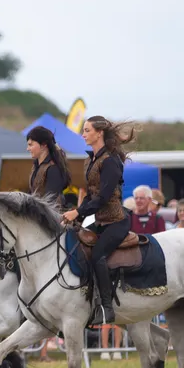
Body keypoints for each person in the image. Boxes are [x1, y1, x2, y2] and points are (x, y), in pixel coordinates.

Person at [63, 116, 137, 326]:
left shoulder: (111, 161)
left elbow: (103, 197)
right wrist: (77, 217)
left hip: (117, 221)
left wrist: (78, 212)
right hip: (100, 220)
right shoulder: (91, 159)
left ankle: (106, 308)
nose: (83, 134)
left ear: (99, 133)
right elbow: (90, 196)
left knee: (98, 256)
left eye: (87, 130)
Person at [25, 126, 72, 202]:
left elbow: (50, 201)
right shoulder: (36, 165)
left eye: (31, 145)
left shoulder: (53, 168)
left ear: (44, 144)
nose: (28, 148)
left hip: (50, 212)